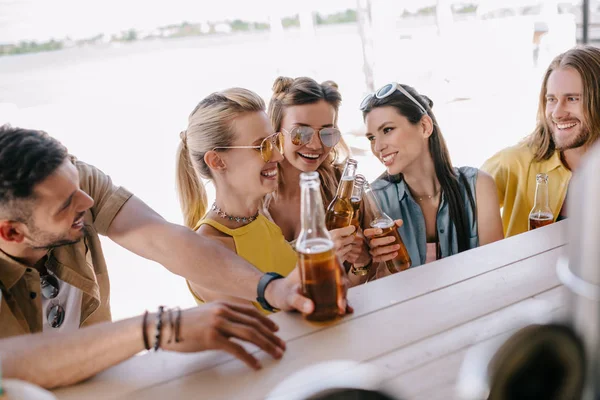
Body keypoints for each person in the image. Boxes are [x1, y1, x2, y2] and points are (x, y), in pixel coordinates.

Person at [0, 125, 322, 387]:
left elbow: (164, 239)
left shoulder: (65, 183)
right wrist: (157, 329)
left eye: (79, 186)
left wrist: (269, 288)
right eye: (67, 205)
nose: (86, 201)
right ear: (11, 233)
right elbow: (7, 366)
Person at [176, 88, 297, 312]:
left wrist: (358, 265)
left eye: (275, 142)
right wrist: (319, 264)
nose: (278, 156)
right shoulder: (205, 252)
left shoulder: (263, 219)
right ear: (217, 161)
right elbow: (267, 334)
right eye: (262, 146)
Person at [360, 83, 503, 272]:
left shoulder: (478, 187)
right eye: (371, 138)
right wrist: (373, 263)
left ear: (425, 127)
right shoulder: (374, 201)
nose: (377, 148)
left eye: (387, 130)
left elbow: (496, 272)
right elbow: (369, 285)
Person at [482, 45, 600, 237]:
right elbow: (453, 206)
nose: (557, 113)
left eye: (572, 98)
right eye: (551, 99)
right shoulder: (515, 162)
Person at [264, 76, 371, 280]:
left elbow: (354, 284)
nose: (315, 145)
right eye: (300, 132)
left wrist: (362, 261)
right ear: (276, 130)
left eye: (327, 133)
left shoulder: (344, 189)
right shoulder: (252, 195)